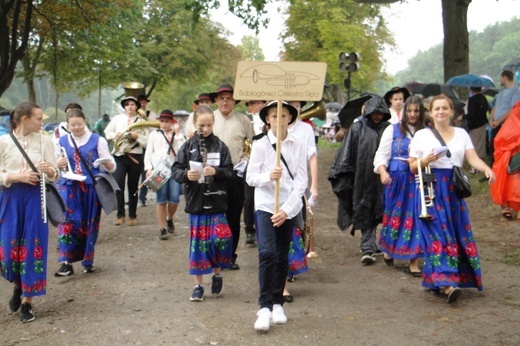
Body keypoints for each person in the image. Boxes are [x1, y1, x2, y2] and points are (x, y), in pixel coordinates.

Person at [408, 94, 496, 303]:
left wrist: (486, 168)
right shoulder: (421, 135)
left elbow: (471, 157)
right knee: (437, 235)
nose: (441, 112)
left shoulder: (461, 133)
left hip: (453, 190)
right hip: (429, 189)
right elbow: (412, 166)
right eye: (437, 108)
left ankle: (434, 280)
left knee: (454, 235)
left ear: (451, 111)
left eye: (445, 108)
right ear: (431, 112)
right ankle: (448, 284)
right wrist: (425, 159)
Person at [246, 101, 307, 332]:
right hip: (265, 205)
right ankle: (264, 307)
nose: (279, 119)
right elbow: (250, 178)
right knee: (267, 253)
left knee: (282, 256)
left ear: (289, 118)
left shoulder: (298, 144)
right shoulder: (260, 145)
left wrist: (287, 210)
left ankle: (277, 303)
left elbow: (301, 182)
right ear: (267, 120)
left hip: (287, 206)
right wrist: (268, 176)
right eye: (274, 115)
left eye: (284, 115)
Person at [0, 101, 59, 322]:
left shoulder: (45, 141)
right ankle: (18, 284)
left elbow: (55, 173)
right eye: (39, 119)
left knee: (33, 247)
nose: (42, 123)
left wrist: (50, 169)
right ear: (25, 119)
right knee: (7, 248)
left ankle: (28, 302)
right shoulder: (3, 142)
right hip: (10, 198)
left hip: (36, 199)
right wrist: (16, 177)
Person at [171, 105, 234, 302]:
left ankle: (217, 273)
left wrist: (217, 172)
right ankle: (198, 285)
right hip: (196, 203)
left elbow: (230, 172)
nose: (205, 129)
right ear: (194, 124)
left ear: (213, 124)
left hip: (217, 202)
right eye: (201, 125)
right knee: (198, 246)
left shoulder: (220, 146)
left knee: (219, 240)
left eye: (208, 125)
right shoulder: (187, 146)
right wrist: (186, 175)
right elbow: (175, 171)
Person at [188, 84, 253, 270]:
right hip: (209, 176)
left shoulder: (243, 120)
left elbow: (251, 143)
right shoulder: (208, 119)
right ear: (216, 100)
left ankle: (229, 257)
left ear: (234, 101)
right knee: (212, 216)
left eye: (229, 98)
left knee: (233, 216)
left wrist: (246, 159)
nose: (225, 101)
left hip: (233, 175)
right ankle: (211, 255)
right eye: (222, 98)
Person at [328, 95, 391, 264]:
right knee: (365, 209)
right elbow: (346, 153)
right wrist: (344, 175)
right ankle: (367, 247)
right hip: (362, 178)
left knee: (384, 210)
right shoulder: (357, 128)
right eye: (374, 113)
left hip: (385, 178)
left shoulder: (389, 129)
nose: (377, 116)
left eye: (380, 113)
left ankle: (378, 244)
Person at [54, 108, 116, 276]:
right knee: (67, 222)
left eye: (79, 124)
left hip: (90, 188)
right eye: (72, 125)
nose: (76, 128)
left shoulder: (97, 140)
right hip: (69, 185)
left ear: (85, 122)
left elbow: (111, 164)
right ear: (67, 125)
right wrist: (57, 164)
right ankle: (66, 262)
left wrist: (108, 164)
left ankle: (88, 260)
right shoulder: (61, 141)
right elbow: (54, 166)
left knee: (90, 223)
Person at [373, 95, 425, 276]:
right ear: (404, 111)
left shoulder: (426, 131)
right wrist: (382, 171)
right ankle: (388, 249)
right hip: (397, 178)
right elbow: (381, 155)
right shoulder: (392, 130)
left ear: (421, 112)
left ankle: (413, 261)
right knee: (394, 215)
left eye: (416, 111)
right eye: (409, 110)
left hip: (418, 177)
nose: (412, 114)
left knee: (417, 217)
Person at [282, 100, 319, 302]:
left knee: (297, 226)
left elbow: (311, 156)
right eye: (291, 104)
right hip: (279, 185)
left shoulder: (305, 129)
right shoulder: (274, 125)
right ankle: (284, 268)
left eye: (297, 104)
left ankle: (291, 265)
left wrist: (314, 186)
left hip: (298, 183)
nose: (294, 108)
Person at [104, 96, 150, 226]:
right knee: (118, 186)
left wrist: (137, 136)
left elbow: (147, 141)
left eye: (132, 104)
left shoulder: (142, 121)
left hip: (135, 156)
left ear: (136, 106)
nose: (130, 107)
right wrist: (115, 135)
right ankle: (120, 215)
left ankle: (132, 215)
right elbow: (107, 132)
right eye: (127, 104)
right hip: (119, 155)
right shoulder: (117, 119)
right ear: (124, 107)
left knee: (133, 186)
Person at [144, 109, 185, 240]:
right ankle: (162, 228)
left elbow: (183, 149)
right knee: (161, 199)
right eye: (162, 121)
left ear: (172, 122)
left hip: (174, 169)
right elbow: (149, 153)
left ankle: (169, 218)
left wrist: (178, 133)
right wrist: (148, 168)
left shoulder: (177, 135)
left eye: (167, 121)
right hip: (159, 170)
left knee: (174, 198)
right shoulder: (154, 135)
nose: (164, 124)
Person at [489, 70, 520, 216]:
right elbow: (496, 106)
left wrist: (501, 122)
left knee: (513, 170)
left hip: (512, 133)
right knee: (504, 167)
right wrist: (492, 120)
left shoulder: (515, 91)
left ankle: (512, 202)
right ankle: (505, 202)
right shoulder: (501, 93)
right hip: (505, 134)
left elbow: (513, 110)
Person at [243, 99, 267, 245]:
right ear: (250, 106)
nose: (259, 105)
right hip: (250, 162)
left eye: (261, 102)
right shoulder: (246, 120)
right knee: (249, 199)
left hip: (266, 163)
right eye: (255, 103)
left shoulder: (268, 119)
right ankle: (249, 228)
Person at [136, 94, 158, 207]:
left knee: (146, 174)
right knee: (135, 174)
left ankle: (142, 197)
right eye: (140, 102)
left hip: (147, 147)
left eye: (144, 102)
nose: (142, 104)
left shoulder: (152, 115)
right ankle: (134, 196)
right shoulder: (134, 116)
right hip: (136, 148)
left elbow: (155, 129)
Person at [465, 87, 489, 167]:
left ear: (471, 90)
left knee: (474, 145)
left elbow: (471, 114)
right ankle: (480, 162)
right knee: (480, 144)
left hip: (474, 125)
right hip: (483, 123)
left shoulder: (472, 100)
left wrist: (463, 117)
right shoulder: (483, 98)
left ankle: (475, 165)